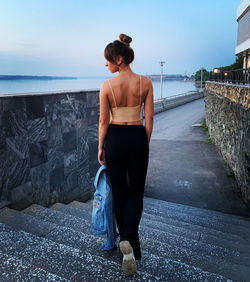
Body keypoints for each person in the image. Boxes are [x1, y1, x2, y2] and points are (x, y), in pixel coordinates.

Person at [98, 33, 154, 276]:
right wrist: (145, 142)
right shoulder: (146, 82)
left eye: (108, 60)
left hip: (115, 140)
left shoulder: (107, 86)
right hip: (137, 137)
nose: (106, 64)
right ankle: (130, 240)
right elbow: (149, 118)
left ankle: (126, 243)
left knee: (120, 193)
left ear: (119, 59)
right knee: (136, 192)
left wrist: (101, 146)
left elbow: (103, 121)